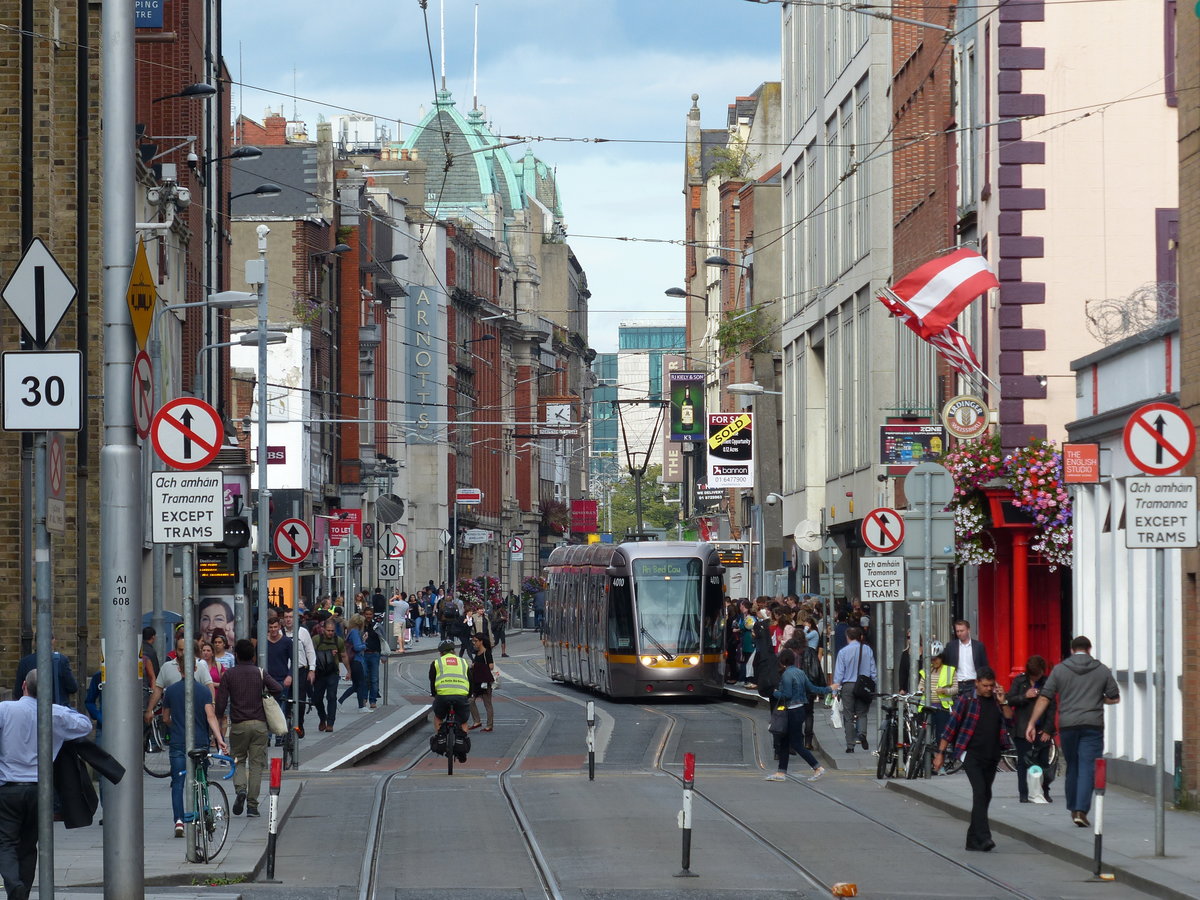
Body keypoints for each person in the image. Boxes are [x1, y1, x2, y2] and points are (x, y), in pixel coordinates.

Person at [0, 670, 92, 899]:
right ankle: (22, 893)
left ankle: (13, 884)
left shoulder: (4, 710)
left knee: (6, 842)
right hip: (39, 791)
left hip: (8, 788)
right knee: (29, 845)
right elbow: (84, 725)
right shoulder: (53, 714)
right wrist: (59, 708)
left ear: (23, 686)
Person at [1025, 636, 1120, 827]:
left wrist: (1031, 723)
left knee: (1073, 765)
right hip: (1093, 725)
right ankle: (1080, 810)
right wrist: (1097, 698)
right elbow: (1114, 698)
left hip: (1068, 725)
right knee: (1087, 767)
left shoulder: (1060, 670)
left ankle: (1072, 806)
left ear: (1071, 650)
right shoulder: (1101, 670)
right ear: (1089, 649)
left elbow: (1044, 698)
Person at [932, 668, 1012, 851]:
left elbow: (1010, 721)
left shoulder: (996, 700)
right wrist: (940, 753)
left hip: (992, 755)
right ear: (977, 683)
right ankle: (984, 838)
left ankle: (972, 839)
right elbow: (950, 728)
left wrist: (1004, 701)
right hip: (971, 755)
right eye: (985, 685)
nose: (988, 689)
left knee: (986, 794)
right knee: (980, 792)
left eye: (991, 685)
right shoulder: (967, 701)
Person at [215, 638, 282, 818]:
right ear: (253, 656)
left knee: (237, 760)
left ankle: (241, 790)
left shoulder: (229, 675)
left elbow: (220, 704)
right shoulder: (259, 672)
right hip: (259, 725)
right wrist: (264, 694)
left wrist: (217, 721)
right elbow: (278, 688)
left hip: (238, 725)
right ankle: (252, 806)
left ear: (236, 655)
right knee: (256, 766)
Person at [162, 657, 228, 837]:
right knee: (202, 780)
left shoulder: (171, 691)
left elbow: (165, 718)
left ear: (179, 670)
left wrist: (175, 726)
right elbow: (211, 716)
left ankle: (179, 821)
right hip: (200, 742)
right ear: (195, 668)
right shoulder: (203, 691)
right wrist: (219, 738)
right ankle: (204, 814)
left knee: (178, 783)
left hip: (177, 741)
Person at [765, 648, 831, 782]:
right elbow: (812, 688)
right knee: (784, 741)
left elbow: (787, 695)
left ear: (782, 661)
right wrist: (828, 689)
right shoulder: (800, 672)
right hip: (800, 709)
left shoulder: (786, 675)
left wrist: (774, 692)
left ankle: (817, 767)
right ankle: (781, 772)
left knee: (796, 743)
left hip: (791, 711)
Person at [1009, 654, 1055, 803]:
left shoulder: (1047, 682)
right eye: (1034, 675)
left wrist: (1048, 729)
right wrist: (1025, 696)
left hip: (1042, 728)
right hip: (1023, 727)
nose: (1036, 678)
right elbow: (1010, 699)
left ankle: (1044, 791)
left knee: (1043, 762)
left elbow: (1052, 707)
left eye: (1039, 675)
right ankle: (1024, 793)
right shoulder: (1020, 681)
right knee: (1024, 762)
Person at [832, 626, 876, 753]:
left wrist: (835, 690)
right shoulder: (867, 649)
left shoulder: (843, 652)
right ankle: (862, 733)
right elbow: (873, 670)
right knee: (862, 713)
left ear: (848, 637)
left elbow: (839, 673)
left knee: (848, 715)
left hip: (848, 685)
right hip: (863, 685)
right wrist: (874, 684)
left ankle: (850, 745)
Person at [429, 639, 471, 763]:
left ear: (441, 653)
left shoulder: (437, 663)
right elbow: (470, 680)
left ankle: (440, 737)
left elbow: (432, 680)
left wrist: (434, 694)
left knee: (438, 716)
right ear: (454, 651)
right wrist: (468, 695)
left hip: (442, 696)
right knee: (463, 720)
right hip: (461, 696)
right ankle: (461, 741)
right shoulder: (463, 662)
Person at [917, 649, 957, 764]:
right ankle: (926, 762)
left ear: (942, 658)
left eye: (937, 658)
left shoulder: (950, 670)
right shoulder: (926, 670)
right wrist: (922, 689)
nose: (934, 661)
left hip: (942, 707)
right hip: (927, 707)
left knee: (941, 736)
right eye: (932, 659)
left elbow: (956, 688)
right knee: (925, 736)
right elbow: (920, 685)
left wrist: (945, 690)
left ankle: (941, 762)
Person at [12, 636, 78, 706]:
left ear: (35, 642)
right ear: (53, 641)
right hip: (57, 710)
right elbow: (72, 688)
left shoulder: (25, 662)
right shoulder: (61, 660)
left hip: (32, 709)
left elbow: (18, 693)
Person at [282, 608, 316, 738]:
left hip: (301, 671)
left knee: (300, 701)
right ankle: (284, 729)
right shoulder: (280, 633)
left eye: (290, 617)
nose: (288, 619)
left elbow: (310, 652)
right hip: (285, 672)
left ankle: (299, 724)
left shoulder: (303, 633)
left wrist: (312, 669)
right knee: (285, 701)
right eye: (286, 617)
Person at [311, 617, 345, 733]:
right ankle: (322, 717)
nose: (330, 633)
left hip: (332, 673)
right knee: (317, 698)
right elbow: (310, 654)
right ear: (323, 629)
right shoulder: (316, 640)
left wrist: (349, 671)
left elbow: (344, 655)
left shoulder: (338, 641)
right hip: (319, 672)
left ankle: (330, 723)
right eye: (328, 630)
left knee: (331, 697)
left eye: (332, 631)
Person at [264, 616, 293, 743]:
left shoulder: (286, 642)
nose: (273, 630)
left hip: (282, 679)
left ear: (279, 627)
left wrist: (290, 675)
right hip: (266, 679)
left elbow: (294, 660)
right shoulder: (264, 641)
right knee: (268, 708)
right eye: (271, 627)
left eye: (275, 627)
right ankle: (268, 736)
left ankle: (280, 735)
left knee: (281, 707)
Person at [943, 619, 988, 699]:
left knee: (973, 709)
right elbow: (946, 665)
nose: (959, 633)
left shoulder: (978, 646)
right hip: (957, 683)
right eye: (957, 631)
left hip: (974, 683)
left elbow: (984, 665)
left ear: (968, 630)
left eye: (962, 631)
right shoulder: (951, 646)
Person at [340, 614, 369, 711]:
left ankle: (339, 701)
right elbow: (357, 647)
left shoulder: (350, 631)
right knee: (360, 684)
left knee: (356, 685)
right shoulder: (355, 632)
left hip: (353, 661)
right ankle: (361, 706)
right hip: (356, 660)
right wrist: (364, 643)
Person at [467, 633, 495, 731]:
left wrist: (476, 666)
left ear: (481, 641)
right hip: (476, 682)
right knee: (470, 701)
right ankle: (477, 721)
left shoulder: (486, 653)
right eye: (473, 641)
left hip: (484, 682)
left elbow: (491, 666)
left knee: (487, 704)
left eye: (475, 641)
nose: (474, 643)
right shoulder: (477, 653)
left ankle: (489, 725)